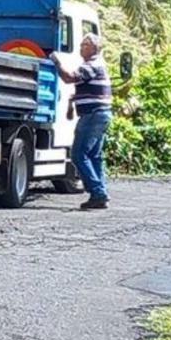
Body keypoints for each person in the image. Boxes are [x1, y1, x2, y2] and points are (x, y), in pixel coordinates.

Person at [52, 33, 113, 209]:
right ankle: (100, 192)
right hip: (99, 114)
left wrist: (56, 61)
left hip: (93, 115)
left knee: (79, 155)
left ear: (94, 48)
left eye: (84, 45)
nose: (80, 48)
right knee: (94, 156)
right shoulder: (96, 65)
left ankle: (98, 192)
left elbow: (68, 77)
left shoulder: (92, 65)